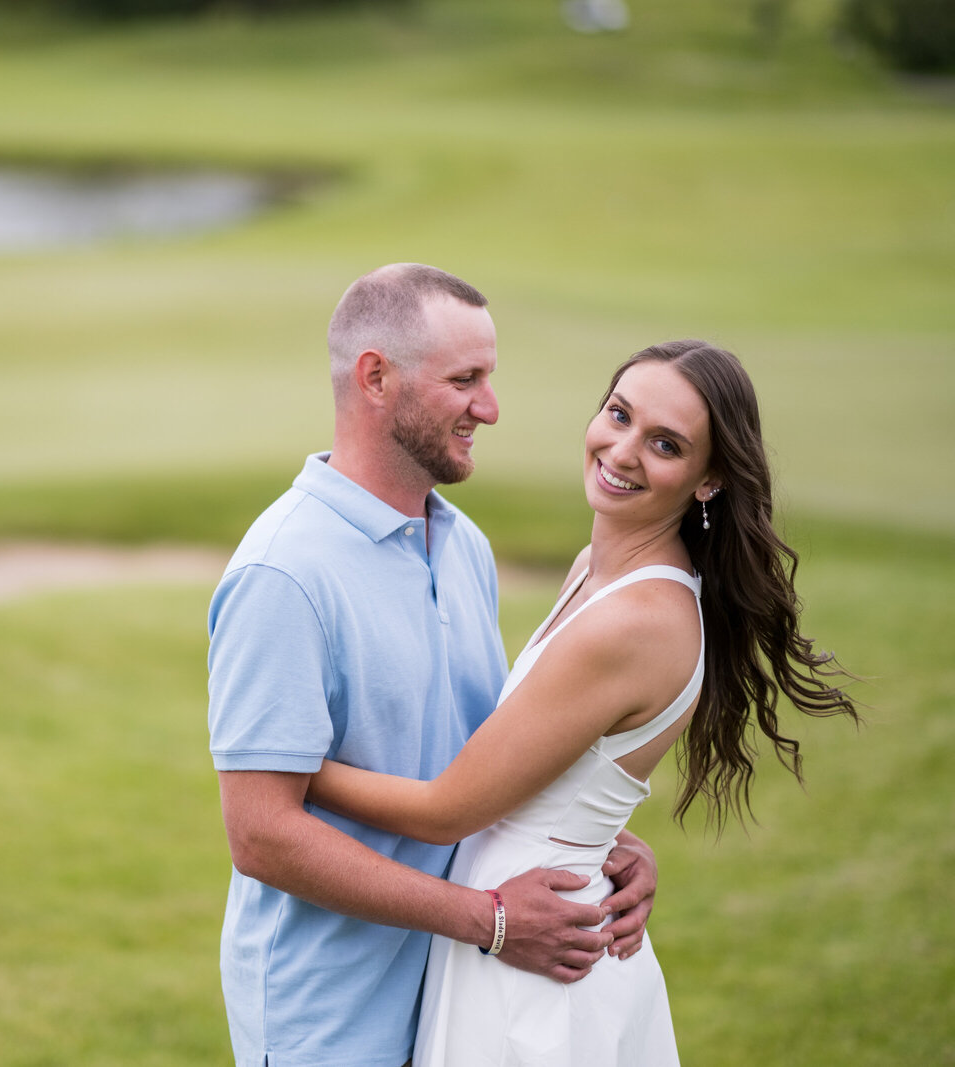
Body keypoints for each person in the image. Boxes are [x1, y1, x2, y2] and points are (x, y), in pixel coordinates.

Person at [306, 338, 860, 1065]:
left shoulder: (634, 621)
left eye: (664, 443)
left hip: (536, 954)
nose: (623, 450)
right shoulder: (594, 573)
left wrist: (292, 768)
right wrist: (602, 839)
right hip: (538, 912)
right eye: (618, 414)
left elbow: (450, 809)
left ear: (708, 479)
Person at [206, 263, 661, 1067]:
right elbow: (262, 834)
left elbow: (473, 758)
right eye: (466, 380)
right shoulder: (283, 574)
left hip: (455, 997)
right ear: (377, 377)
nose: (489, 407)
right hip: (332, 1019)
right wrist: (485, 917)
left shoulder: (463, 545)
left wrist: (599, 843)